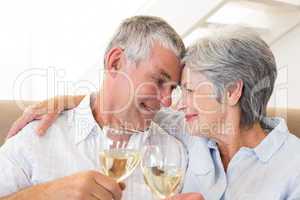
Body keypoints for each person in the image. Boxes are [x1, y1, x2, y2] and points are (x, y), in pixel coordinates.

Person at [7, 26, 300, 200]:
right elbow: (118, 105)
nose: (173, 103)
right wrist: (69, 101)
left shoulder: (293, 166)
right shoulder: (188, 130)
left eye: (187, 91)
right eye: (174, 88)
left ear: (232, 92)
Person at [0, 15, 203, 200]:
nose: (167, 101)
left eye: (172, 88)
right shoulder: (38, 136)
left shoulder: (174, 153)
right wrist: (45, 195)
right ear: (115, 63)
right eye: (159, 81)